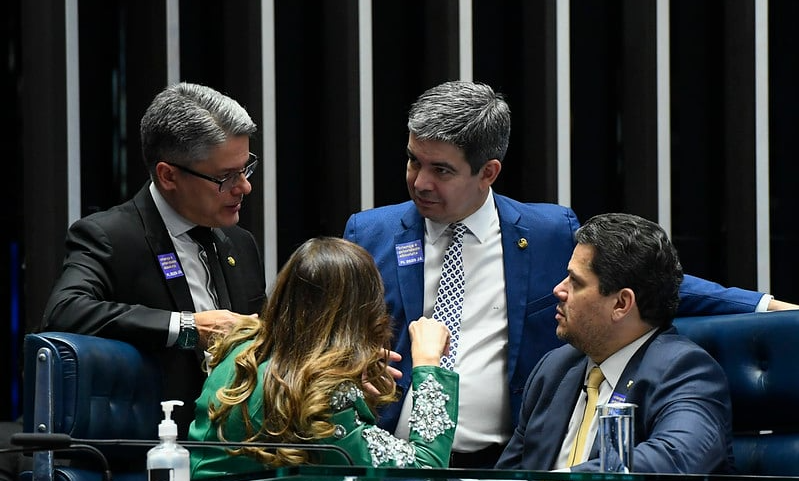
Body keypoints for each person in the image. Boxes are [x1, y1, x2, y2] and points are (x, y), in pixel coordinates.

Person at [342, 80, 797, 468]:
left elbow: (637, 279)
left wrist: (763, 307)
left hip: (503, 460)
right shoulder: (370, 233)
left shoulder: (545, 232)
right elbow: (330, 340)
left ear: (488, 172)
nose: (420, 182)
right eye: (413, 161)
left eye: (441, 170)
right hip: (394, 454)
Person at [41, 82, 267, 438]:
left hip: (239, 450)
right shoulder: (111, 236)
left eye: (245, 169)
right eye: (225, 177)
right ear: (168, 175)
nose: (244, 187)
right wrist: (189, 328)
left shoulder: (240, 243)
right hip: (155, 452)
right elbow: (65, 310)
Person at [188, 237, 457, 477]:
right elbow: (425, 468)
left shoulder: (242, 347)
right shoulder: (321, 392)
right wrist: (428, 364)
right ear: (364, 314)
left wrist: (347, 368)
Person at [496, 213, 734, 473]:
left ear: (621, 304)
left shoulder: (685, 371)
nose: (558, 290)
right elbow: (507, 475)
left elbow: (677, 456)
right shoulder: (554, 369)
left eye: (575, 282)